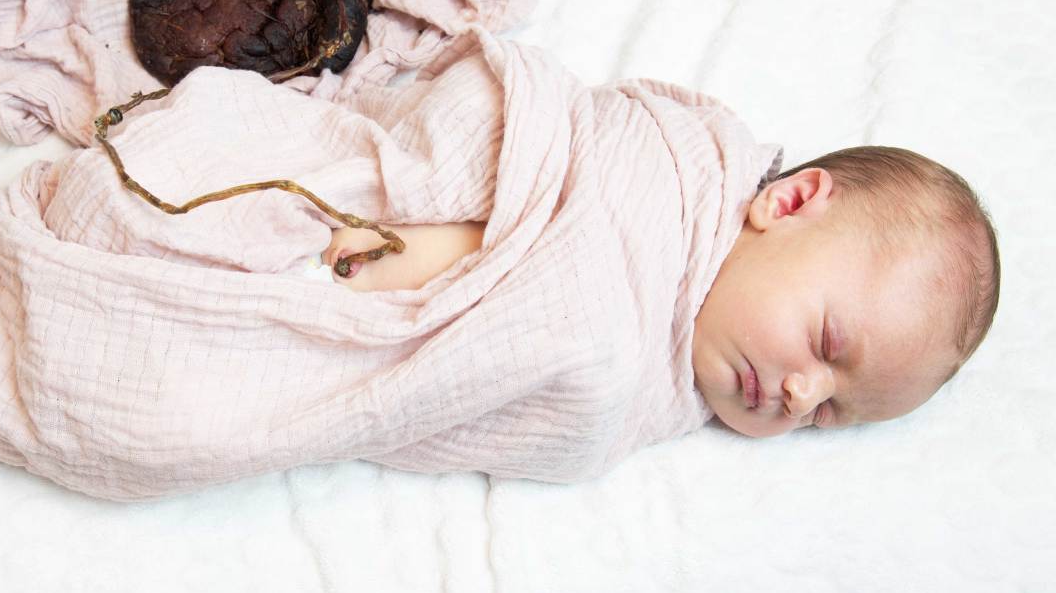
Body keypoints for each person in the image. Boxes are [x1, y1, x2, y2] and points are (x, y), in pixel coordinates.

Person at [323, 146, 1000, 438]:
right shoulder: (672, 177)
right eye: (828, 346)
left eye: (828, 416)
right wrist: (440, 250)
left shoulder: (659, 399)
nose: (802, 396)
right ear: (789, 204)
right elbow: (561, 191)